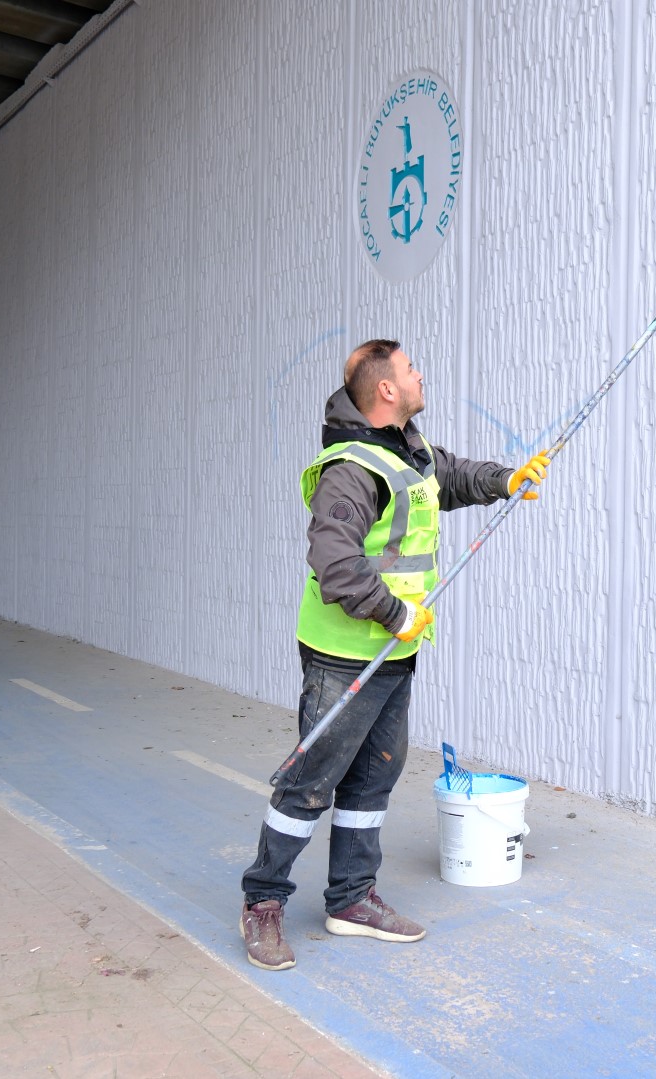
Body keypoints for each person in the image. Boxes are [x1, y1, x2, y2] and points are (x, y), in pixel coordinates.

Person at [239, 339, 550, 971]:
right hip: (345, 654)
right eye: (410, 369)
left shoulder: (409, 449)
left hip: (393, 652)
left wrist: (506, 479)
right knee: (309, 784)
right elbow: (337, 566)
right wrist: (397, 613)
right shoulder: (351, 469)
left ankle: (351, 899)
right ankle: (262, 901)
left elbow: (453, 476)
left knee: (375, 776)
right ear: (386, 389)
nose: (420, 375)